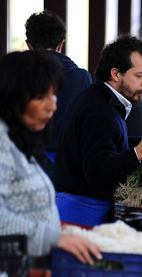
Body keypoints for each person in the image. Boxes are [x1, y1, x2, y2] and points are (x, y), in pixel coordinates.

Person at [0, 51, 100, 264]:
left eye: (53, 94)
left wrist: (58, 230)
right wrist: (54, 238)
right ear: (12, 99)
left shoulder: (18, 141)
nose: (53, 105)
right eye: (40, 97)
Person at [53, 35, 142, 228]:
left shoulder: (99, 98)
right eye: (139, 76)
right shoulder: (100, 111)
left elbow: (108, 142)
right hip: (81, 216)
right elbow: (97, 172)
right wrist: (139, 152)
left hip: (82, 209)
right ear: (115, 74)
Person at [25, 10, 92, 182]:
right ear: (61, 44)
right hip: (65, 169)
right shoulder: (81, 77)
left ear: (28, 44)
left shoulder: (12, 74)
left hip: (22, 164)